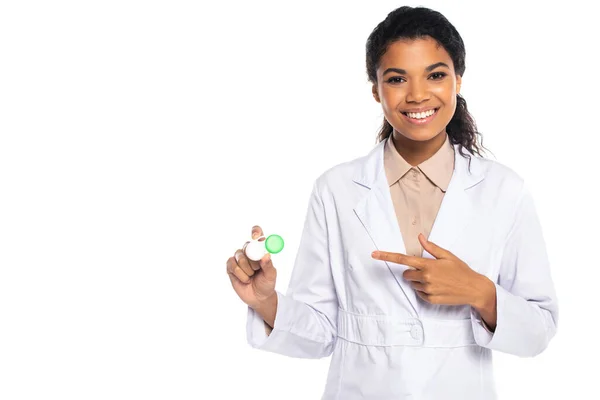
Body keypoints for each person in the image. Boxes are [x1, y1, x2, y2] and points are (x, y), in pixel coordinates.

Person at [226, 5, 558, 399]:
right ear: (375, 89)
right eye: (397, 78)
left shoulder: (504, 190)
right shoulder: (336, 189)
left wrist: (480, 292)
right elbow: (319, 334)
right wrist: (266, 302)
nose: (418, 94)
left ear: (458, 81)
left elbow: (538, 331)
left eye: (436, 75)